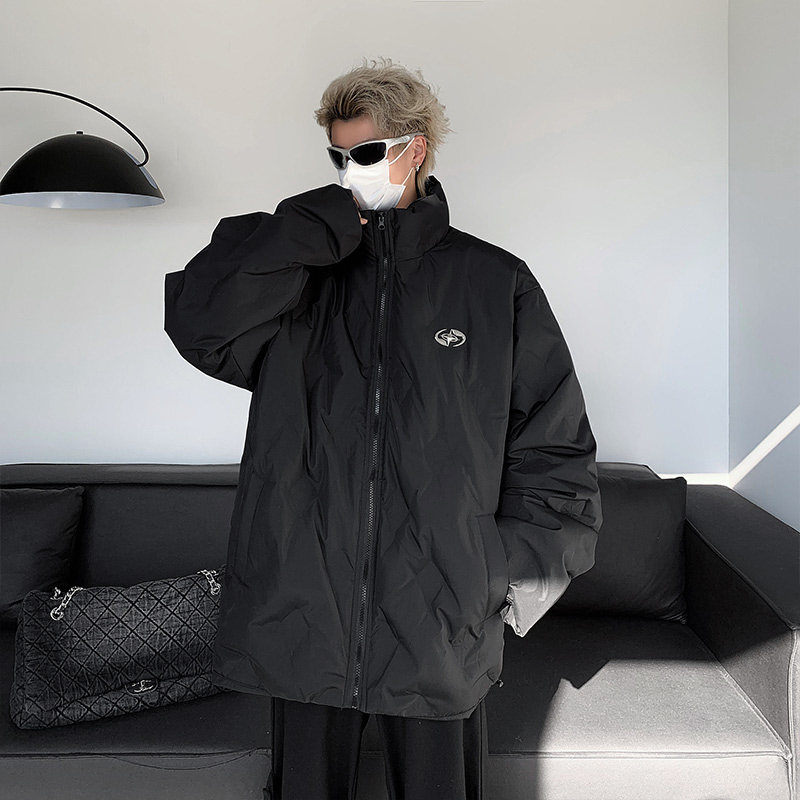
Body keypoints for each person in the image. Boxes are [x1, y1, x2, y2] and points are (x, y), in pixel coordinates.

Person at [163, 56, 603, 800]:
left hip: (439, 611)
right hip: (304, 602)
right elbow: (199, 322)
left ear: (415, 148)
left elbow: (554, 444)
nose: (349, 170)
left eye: (365, 153)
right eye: (337, 156)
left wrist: (505, 572)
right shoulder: (299, 278)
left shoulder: (494, 283)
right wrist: (304, 231)